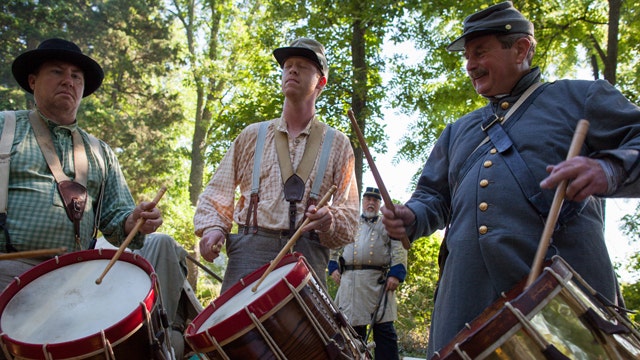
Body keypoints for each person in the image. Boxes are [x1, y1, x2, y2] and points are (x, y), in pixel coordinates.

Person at [380, 2, 640, 358]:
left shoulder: (580, 98)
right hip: (465, 302)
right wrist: (412, 216)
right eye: (467, 56)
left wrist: (609, 169)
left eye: (480, 52)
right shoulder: (458, 131)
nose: (469, 65)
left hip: (559, 294)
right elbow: (432, 197)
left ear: (520, 49)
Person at [0, 38, 187, 359]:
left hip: (78, 275)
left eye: (76, 76)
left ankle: (168, 344)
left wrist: (136, 221)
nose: (68, 80)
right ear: (32, 81)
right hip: (9, 269)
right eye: (57, 71)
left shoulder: (100, 152)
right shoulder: (5, 127)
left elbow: (117, 224)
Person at [194, 38, 359, 293]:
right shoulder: (252, 135)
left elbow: (349, 217)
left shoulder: (338, 144)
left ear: (321, 82)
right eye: (288, 65)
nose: (292, 70)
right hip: (247, 255)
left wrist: (330, 220)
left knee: (307, 334)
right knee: (235, 333)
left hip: (307, 258)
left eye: (303, 66)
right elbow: (217, 193)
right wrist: (213, 229)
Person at [328, 187, 407, 360]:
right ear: (363, 201)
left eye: (375, 200)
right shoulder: (351, 221)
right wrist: (333, 266)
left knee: (384, 331)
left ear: (379, 204)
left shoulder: (387, 223)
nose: (371, 203)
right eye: (368, 199)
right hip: (350, 283)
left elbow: (399, 248)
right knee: (351, 332)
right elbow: (336, 243)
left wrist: (396, 273)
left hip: (376, 284)